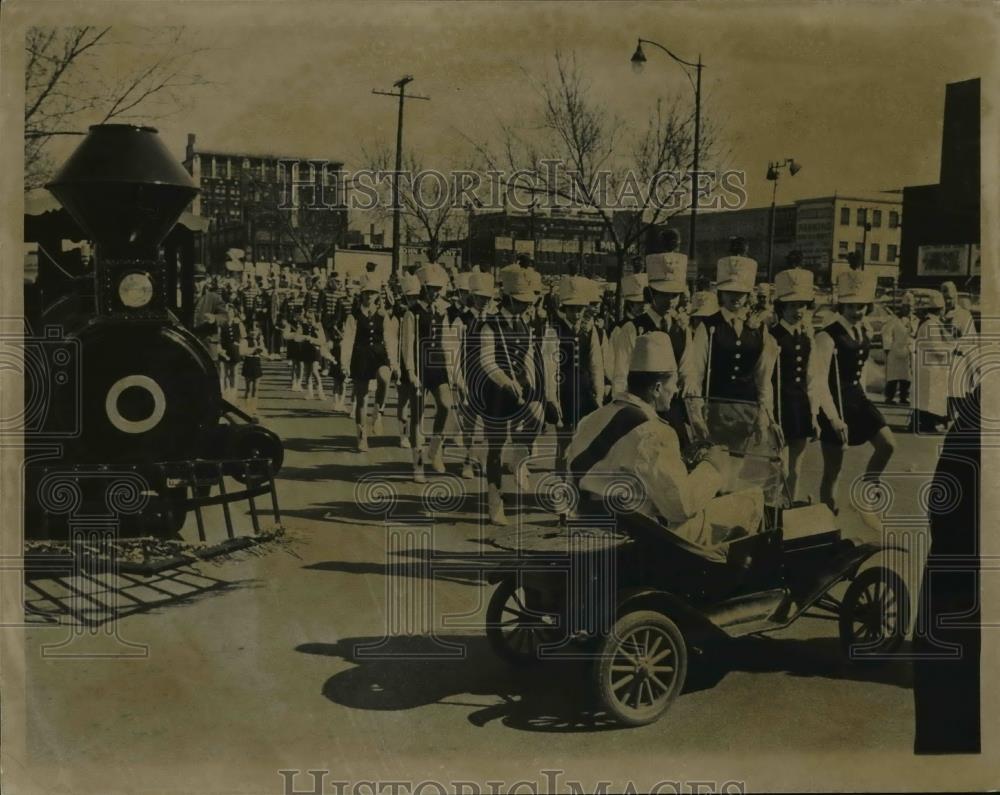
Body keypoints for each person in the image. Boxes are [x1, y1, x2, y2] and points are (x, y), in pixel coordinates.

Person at [567, 332, 730, 536]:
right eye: (674, 383)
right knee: (743, 507)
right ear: (658, 388)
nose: (676, 390)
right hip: (633, 535)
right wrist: (712, 466)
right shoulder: (655, 433)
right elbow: (681, 507)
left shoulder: (592, 419)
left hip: (584, 524)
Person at [810, 269, 895, 526]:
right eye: (851, 306)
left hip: (858, 399)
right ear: (841, 305)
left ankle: (865, 499)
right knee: (833, 472)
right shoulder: (827, 336)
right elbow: (819, 381)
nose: (856, 311)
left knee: (888, 445)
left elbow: (863, 368)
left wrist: (867, 398)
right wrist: (833, 419)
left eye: (861, 306)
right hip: (835, 404)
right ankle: (827, 523)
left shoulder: (864, 330)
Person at [683, 238, 777, 451]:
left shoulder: (759, 329)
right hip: (714, 411)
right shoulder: (708, 327)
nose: (735, 297)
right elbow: (695, 372)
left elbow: (763, 377)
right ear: (720, 293)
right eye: (730, 291)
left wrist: (764, 414)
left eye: (740, 292)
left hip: (747, 411)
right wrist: (696, 413)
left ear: (748, 295)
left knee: (737, 468)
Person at [478, 266, 550, 524]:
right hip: (495, 392)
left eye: (527, 302)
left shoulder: (525, 325)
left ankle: (519, 456)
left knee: (537, 415)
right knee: (495, 448)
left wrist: (530, 382)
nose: (524, 307)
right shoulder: (490, 324)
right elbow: (487, 361)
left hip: (521, 387)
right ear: (507, 298)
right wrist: (507, 382)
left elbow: (529, 357)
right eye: (520, 302)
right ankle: (494, 499)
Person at [401, 263, 460, 481]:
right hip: (418, 367)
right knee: (417, 417)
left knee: (446, 405)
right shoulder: (412, 312)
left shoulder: (442, 310)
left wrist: (452, 369)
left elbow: (446, 342)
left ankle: (434, 449)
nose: (436, 292)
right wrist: (410, 371)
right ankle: (417, 464)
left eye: (438, 288)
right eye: (432, 288)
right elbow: (407, 344)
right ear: (424, 288)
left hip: (437, 366)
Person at [770, 267, 817, 503]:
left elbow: (811, 379)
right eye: (791, 306)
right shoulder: (771, 335)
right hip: (778, 406)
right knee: (776, 466)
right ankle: (771, 510)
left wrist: (815, 414)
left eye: (802, 305)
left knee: (796, 466)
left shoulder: (807, 336)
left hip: (799, 406)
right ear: (781, 308)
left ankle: (789, 510)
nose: (797, 311)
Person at [549, 276, 604, 476]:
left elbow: (596, 364)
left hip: (584, 392)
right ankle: (560, 487)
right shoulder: (554, 330)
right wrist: (552, 399)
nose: (575, 314)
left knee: (584, 441)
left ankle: (578, 485)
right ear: (564, 308)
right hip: (563, 392)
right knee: (563, 443)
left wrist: (598, 394)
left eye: (579, 309)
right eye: (571, 309)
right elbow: (550, 366)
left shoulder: (589, 331)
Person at [341, 272, 392, 452]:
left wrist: (393, 360)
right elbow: (347, 339)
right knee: (361, 398)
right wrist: (345, 363)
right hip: (360, 355)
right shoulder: (353, 316)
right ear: (361, 294)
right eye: (366, 293)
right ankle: (362, 436)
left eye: (373, 293)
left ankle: (378, 413)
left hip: (378, 354)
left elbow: (389, 338)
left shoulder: (382, 315)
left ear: (378, 295)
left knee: (385, 378)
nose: (369, 296)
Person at [454, 271, 495, 479]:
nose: (485, 301)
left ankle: (484, 460)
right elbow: (454, 352)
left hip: (489, 376)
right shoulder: (462, 320)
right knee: (470, 422)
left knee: (489, 422)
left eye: (488, 298)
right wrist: (459, 380)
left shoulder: (494, 320)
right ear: (473, 297)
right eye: (481, 297)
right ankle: (468, 461)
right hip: (469, 375)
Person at [912, 291, 952, 433]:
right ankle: (928, 425)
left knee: (924, 397)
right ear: (941, 310)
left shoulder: (929, 323)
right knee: (928, 398)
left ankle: (917, 423)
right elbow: (936, 347)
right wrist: (951, 349)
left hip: (927, 365)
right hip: (930, 366)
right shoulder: (932, 325)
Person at [941, 280, 978, 424]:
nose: (947, 301)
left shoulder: (964, 315)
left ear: (955, 296)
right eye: (945, 298)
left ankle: (963, 419)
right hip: (943, 358)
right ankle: (946, 416)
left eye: (949, 298)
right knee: (944, 389)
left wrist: (959, 345)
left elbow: (970, 337)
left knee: (958, 390)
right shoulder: (939, 313)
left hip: (959, 357)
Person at [392, 273, 422, 449]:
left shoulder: (419, 312)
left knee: (418, 399)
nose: (413, 300)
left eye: (416, 297)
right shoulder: (398, 313)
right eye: (409, 297)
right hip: (402, 359)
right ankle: (403, 433)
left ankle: (416, 431)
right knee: (403, 399)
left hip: (417, 358)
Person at [882, 291, 917, 405]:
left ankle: (904, 397)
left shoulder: (915, 320)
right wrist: (887, 348)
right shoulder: (894, 320)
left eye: (910, 307)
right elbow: (887, 333)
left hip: (908, 351)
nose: (908, 309)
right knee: (893, 376)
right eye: (906, 307)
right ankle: (889, 397)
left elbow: (916, 334)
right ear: (902, 307)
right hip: (895, 350)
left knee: (906, 377)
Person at [192, 264, 227, 365]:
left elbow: (225, 317)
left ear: (205, 281)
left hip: (208, 347)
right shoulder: (182, 297)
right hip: (190, 346)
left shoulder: (214, 298)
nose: (196, 284)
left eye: (199, 281)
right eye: (193, 281)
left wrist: (214, 318)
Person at [218, 302, 245, 402]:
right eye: (227, 312)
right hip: (225, 350)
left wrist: (239, 345)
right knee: (224, 372)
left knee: (234, 372)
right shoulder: (222, 325)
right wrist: (220, 349)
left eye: (231, 312)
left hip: (234, 350)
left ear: (234, 313)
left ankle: (233, 392)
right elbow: (220, 338)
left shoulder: (238, 324)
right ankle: (225, 392)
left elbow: (243, 336)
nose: (229, 314)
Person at [240, 320, 266, 420]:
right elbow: (242, 352)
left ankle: (254, 408)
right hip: (249, 362)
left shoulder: (260, 340)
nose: (253, 332)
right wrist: (254, 349)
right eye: (251, 330)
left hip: (257, 363)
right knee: (248, 387)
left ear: (259, 331)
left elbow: (263, 351)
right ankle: (247, 408)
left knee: (256, 387)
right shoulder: (245, 340)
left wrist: (266, 355)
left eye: (255, 330)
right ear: (248, 331)